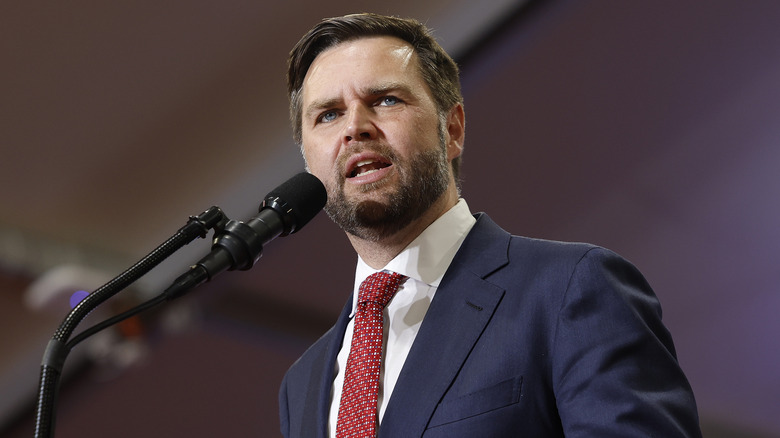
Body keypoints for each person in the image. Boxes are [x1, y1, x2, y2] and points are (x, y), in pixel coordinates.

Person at [278, 13, 702, 438]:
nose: (355, 128)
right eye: (328, 115)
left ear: (453, 128)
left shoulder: (569, 288)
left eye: (386, 100)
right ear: (308, 159)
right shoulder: (304, 382)